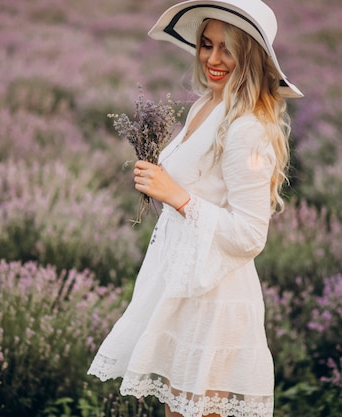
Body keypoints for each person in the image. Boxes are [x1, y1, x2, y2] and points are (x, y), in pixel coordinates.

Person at [88, 1, 303, 416]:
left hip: (215, 297)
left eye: (228, 48)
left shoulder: (248, 129)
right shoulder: (207, 104)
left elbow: (250, 235)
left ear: (251, 55)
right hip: (183, 284)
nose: (213, 59)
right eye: (207, 44)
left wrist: (177, 195)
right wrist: (159, 181)